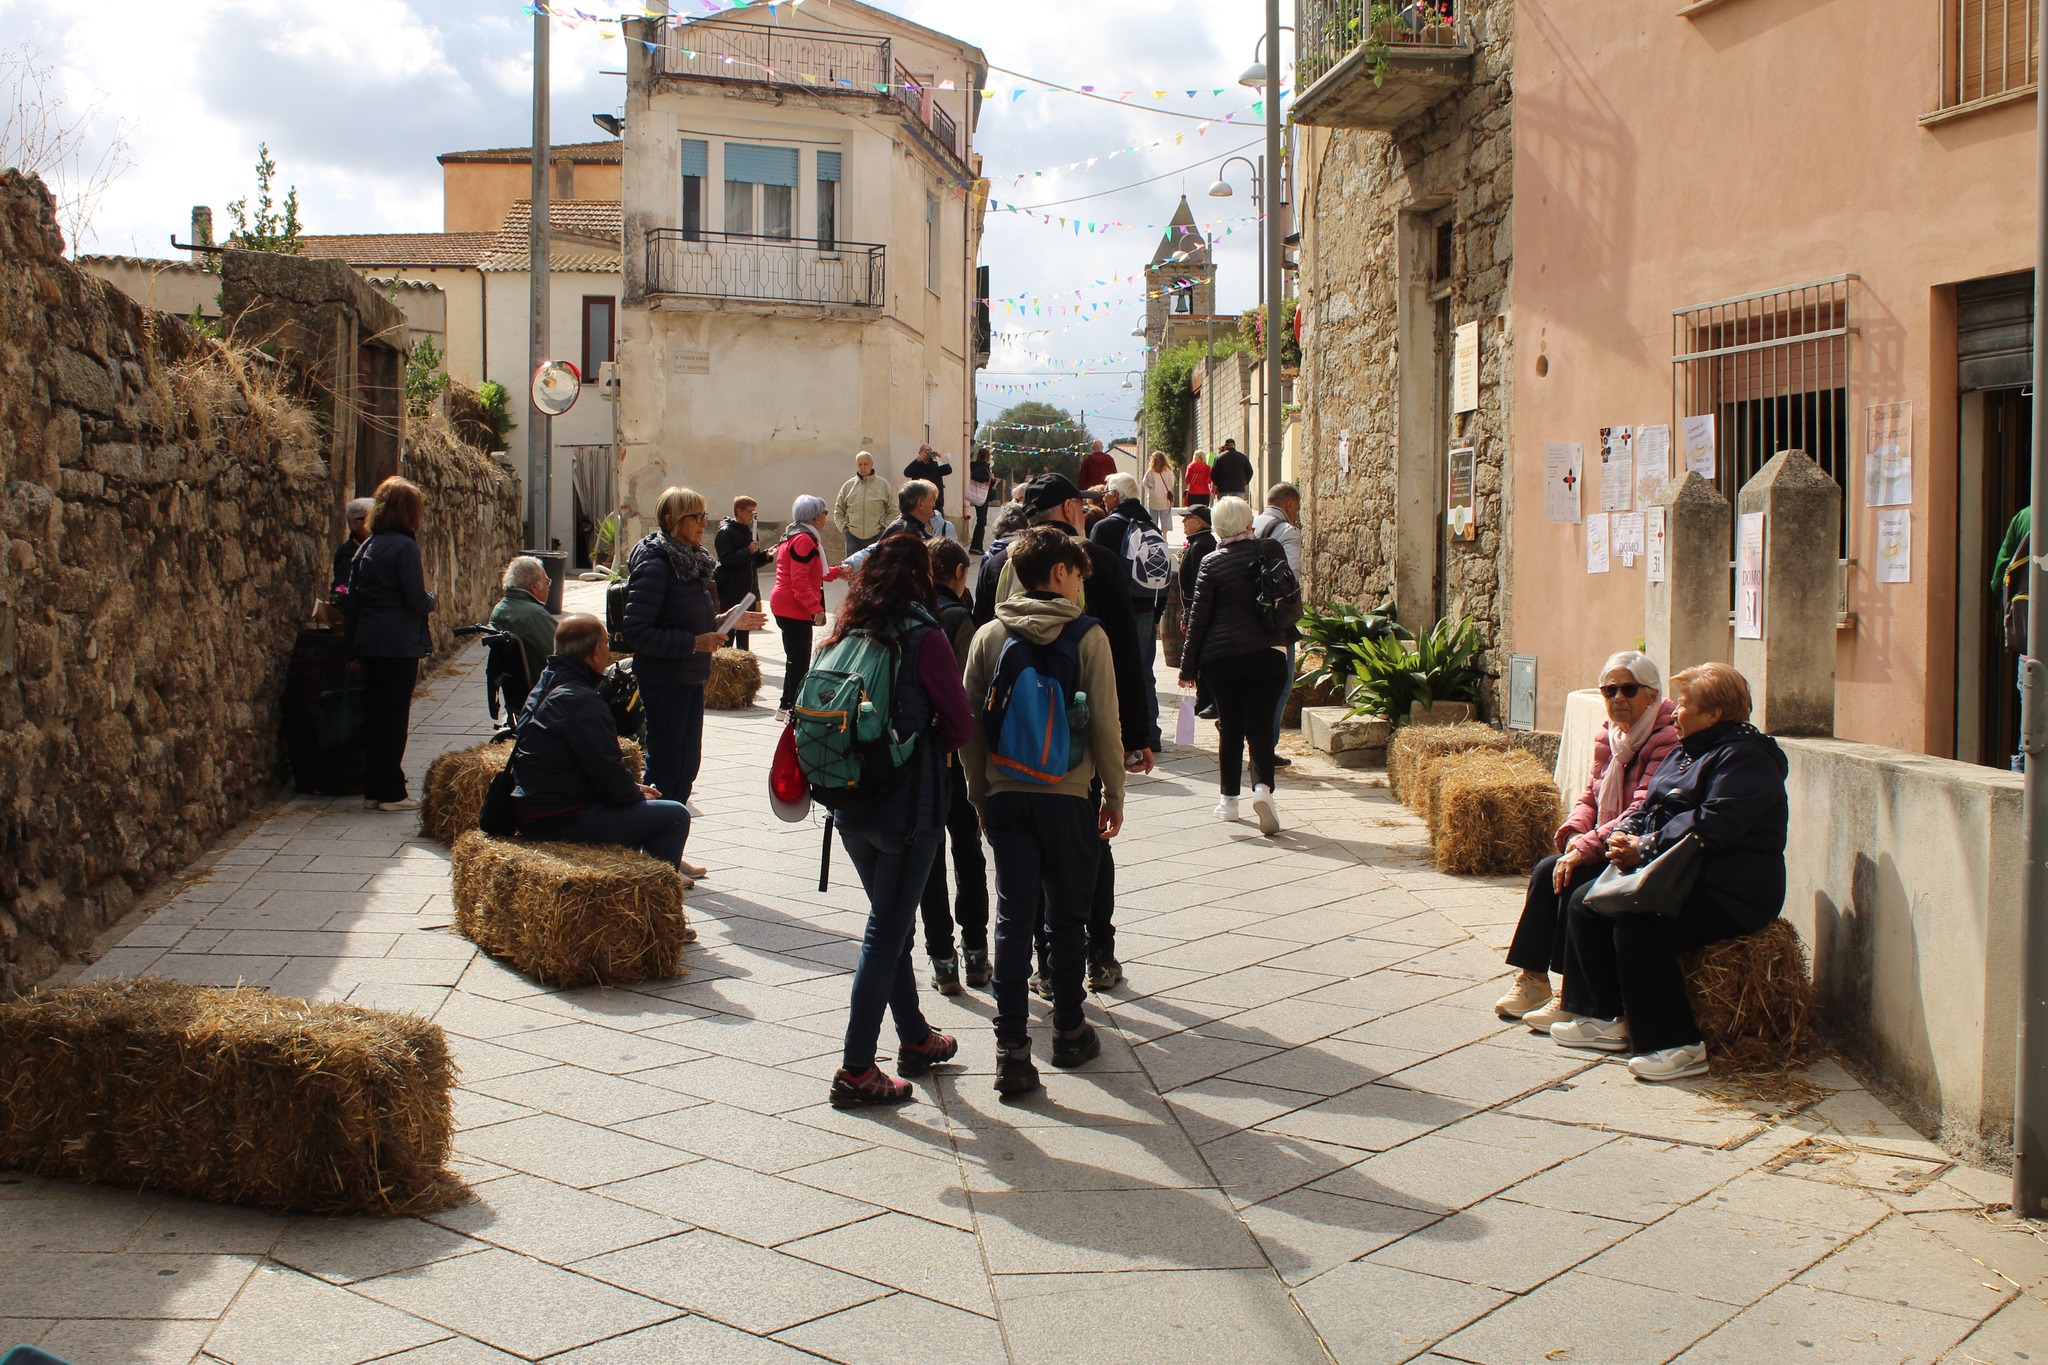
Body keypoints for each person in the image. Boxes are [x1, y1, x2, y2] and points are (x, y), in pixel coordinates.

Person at [1551, 663, 1790, 1082]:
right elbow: (1647, 806)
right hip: (1679, 874)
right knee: (1585, 903)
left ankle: (1677, 1044)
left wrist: (1644, 847)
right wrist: (1624, 835)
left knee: (1641, 928)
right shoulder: (1687, 749)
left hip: (1732, 890)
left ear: (1714, 714)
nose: (1674, 713)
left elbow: (1714, 823)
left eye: (1683, 705)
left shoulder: (1746, 758)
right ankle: (1606, 1018)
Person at [960, 525, 1127, 1095]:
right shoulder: (1087, 636)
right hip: (1068, 795)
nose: (1082, 584)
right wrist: (1113, 794)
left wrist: (981, 795)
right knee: (1067, 917)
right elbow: (1106, 724)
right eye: (1079, 573)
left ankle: (1011, 1050)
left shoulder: (989, 634)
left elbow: (969, 730)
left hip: (1007, 794)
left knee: (1012, 916)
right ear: (1060, 572)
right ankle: (1070, 1030)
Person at [975, 473, 1153, 993]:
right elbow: (1124, 656)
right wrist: (1134, 737)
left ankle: (1046, 965)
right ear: (1074, 509)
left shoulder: (999, 564)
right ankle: (1098, 952)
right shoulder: (1093, 563)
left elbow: (984, 655)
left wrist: (977, 781)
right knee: (1090, 843)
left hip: (1009, 749)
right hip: (1076, 744)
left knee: (1020, 866)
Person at [823, 535, 973, 1108]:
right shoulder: (925, 636)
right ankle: (857, 1068)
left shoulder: (846, 632)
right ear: (920, 577)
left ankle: (914, 1037)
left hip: (848, 801)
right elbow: (959, 728)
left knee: (891, 923)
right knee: (886, 931)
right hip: (909, 805)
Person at [1495, 652, 1680, 1028]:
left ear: (1652, 694)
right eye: (1609, 689)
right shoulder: (1608, 737)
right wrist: (1576, 836)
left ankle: (1571, 993)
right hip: (1605, 838)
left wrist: (1586, 848)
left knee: (1576, 879)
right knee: (1548, 869)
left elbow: (1643, 808)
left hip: (1638, 847)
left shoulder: (1667, 738)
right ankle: (1533, 979)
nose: (1617, 698)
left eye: (1628, 689)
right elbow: (1589, 798)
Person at [624, 486, 766, 861]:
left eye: (705, 515)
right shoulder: (656, 564)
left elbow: (697, 620)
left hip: (689, 677)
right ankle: (655, 857)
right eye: (696, 517)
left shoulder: (691, 560)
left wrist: (729, 618)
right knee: (667, 767)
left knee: (687, 766)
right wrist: (692, 643)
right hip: (665, 678)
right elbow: (637, 631)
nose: (704, 523)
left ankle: (667, 848)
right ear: (672, 521)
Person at [508, 614, 694, 877]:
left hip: (533, 809)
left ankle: (628, 876)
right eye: (606, 644)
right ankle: (651, 891)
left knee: (642, 805)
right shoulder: (581, 700)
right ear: (596, 651)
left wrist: (630, 789)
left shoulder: (544, 685)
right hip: (561, 818)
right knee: (674, 815)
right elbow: (607, 773)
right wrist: (633, 794)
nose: (608, 652)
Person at [1178, 496, 1297, 836]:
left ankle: (1229, 801)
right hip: (1268, 652)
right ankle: (1263, 790)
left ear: (1216, 527)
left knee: (1230, 727)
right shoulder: (1270, 549)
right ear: (1249, 522)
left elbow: (1199, 620)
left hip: (1222, 658)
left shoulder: (1211, 564)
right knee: (1260, 727)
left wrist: (1187, 669)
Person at [920, 538, 990, 996]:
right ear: (960, 574)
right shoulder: (958, 619)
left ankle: (942, 958)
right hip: (959, 758)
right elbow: (971, 697)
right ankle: (977, 953)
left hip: (921, 760)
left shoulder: (912, 617)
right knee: (968, 854)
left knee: (928, 863)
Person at [344, 476, 436, 813]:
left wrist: (351, 649)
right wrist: (432, 600)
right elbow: (415, 598)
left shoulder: (367, 547)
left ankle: (374, 788)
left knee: (376, 717)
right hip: (397, 645)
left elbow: (353, 602)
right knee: (394, 718)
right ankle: (392, 792)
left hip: (370, 642)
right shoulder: (405, 547)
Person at [1093, 472, 1169, 753]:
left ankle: (1122, 732)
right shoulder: (1150, 524)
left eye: (1106, 492)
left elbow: (1095, 574)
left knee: (1117, 672)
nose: (1103, 496)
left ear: (1116, 496)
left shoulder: (1105, 527)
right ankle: (1151, 732)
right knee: (1144, 671)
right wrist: (1158, 612)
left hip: (1119, 612)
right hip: (1148, 609)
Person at [1253, 483, 1306, 760]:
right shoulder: (1288, 531)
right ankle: (1266, 748)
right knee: (1281, 683)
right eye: (1296, 509)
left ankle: (1247, 739)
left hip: (1247, 617)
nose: (1296, 515)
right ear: (1288, 506)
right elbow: (1291, 577)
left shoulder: (1248, 523)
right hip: (1276, 622)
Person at [770, 495, 836, 719]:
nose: (826, 517)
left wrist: (839, 572)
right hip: (793, 607)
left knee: (794, 658)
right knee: (799, 662)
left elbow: (815, 572)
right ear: (816, 517)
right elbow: (799, 582)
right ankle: (792, 710)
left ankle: (785, 706)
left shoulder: (792, 534)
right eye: (825, 513)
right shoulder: (805, 539)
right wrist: (815, 607)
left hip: (785, 604)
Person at [713, 496, 773, 651]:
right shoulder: (725, 532)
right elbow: (725, 559)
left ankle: (743, 662)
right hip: (731, 589)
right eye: (750, 512)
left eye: (755, 512)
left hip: (747, 589)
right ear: (739, 512)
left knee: (744, 632)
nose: (753, 516)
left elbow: (753, 561)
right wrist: (748, 551)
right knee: (729, 630)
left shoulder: (750, 532)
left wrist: (766, 556)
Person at [489, 555, 557, 684]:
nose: (548, 588)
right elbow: (565, 652)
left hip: (517, 689)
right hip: (546, 686)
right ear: (534, 587)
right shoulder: (533, 615)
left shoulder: (500, 609)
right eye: (546, 583)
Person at [1178, 502, 1217, 719]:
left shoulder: (1203, 545)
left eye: (1187, 519)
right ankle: (1203, 699)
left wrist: (1189, 613)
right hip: (1194, 609)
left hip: (1199, 610)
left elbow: (1196, 584)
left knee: (1202, 655)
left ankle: (1207, 699)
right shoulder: (1198, 542)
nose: (1183, 522)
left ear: (1200, 522)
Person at [833, 452, 894, 554]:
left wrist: (884, 527)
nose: (863, 467)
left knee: (875, 568)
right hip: (852, 536)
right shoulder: (848, 486)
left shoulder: (883, 485)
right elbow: (838, 511)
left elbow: (893, 510)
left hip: (876, 535)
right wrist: (844, 528)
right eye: (860, 464)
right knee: (852, 569)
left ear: (872, 464)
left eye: (866, 464)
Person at [331, 497, 373, 597]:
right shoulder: (347, 553)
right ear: (353, 524)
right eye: (369, 519)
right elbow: (343, 589)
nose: (374, 525)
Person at [903, 445, 953, 512]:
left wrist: (941, 457)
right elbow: (907, 473)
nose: (927, 452)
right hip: (919, 503)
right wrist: (917, 461)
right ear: (919, 452)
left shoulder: (936, 464)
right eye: (924, 450)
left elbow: (949, 470)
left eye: (929, 451)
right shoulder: (916, 465)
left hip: (936, 504)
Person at [966, 448, 997, 553]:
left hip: (983, 497)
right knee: (981, 521)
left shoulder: (985, 467)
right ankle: (976, 546)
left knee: (982, 521)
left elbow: (989, 483)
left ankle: (976, 545)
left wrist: (992, 479)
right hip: (981, 497)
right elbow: (975, 476)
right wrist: (988, 477)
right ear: (986, 456)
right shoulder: (981, 466)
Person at [1143, 451, 1176, 522]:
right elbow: (1172, 483)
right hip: (1165, 497)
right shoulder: (1169, 470)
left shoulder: (1150, 471)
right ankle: (1164, 533)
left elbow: (1145, 483)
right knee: (1165, 517)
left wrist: (1151, 486)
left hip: (1153, 498)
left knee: (1153, 518)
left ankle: (1155, 531)